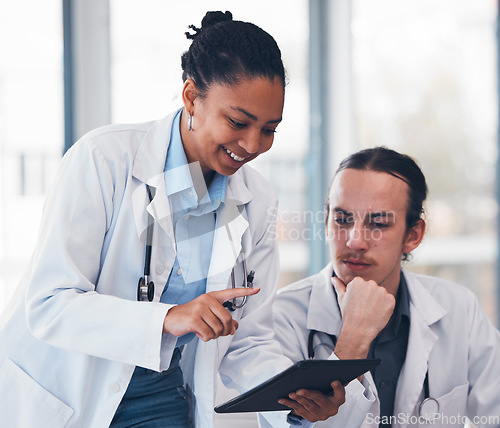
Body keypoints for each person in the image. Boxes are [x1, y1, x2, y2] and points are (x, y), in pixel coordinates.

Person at [0, 11, 345, 428]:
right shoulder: (104, 161)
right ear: (191, 97)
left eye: (270, 129)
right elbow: (50, 303)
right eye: (238, 122)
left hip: (158, 397)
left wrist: (294, 396)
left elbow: (247, 339)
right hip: (66, 388)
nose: (253, 145)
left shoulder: (256, 201)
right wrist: (168, 317)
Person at [273, 147, 500, 427]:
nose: (355, 240)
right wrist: (352, 341)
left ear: (413, 235)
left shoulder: (459, 308)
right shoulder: (283, 316)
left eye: (378, 223)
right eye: (342, 220)